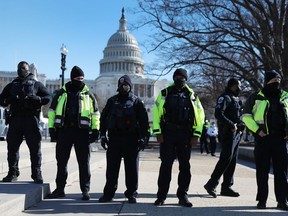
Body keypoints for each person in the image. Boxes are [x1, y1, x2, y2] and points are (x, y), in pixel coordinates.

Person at [153, 68, 205, 207]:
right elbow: (156, 113)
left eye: (182, 77)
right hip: (168, 134)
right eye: (177, 76)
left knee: (185, 167)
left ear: (186, 79)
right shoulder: (164, 93)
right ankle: (161, 196)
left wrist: (196, 135)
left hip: (185, 134)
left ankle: (183, 196)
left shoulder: (192, 95)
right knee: (166, 166)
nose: (179, 79)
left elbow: (200, 116)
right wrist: (158, 132)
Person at [47, 66, 100, 200]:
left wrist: (95, 130)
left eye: (82, 79)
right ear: (72, 78)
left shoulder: (89, 95)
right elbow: (52, 111)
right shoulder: (60, 93)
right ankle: (60, 189)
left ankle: (85, 190)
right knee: (62, 162)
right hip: (64, 131)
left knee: (84, 162)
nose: (80, 81)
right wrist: (52, 128)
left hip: (81, 132)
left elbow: (95, 114)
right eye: (78, 78)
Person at [98, 75, 149, 204]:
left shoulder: (137, 102)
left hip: (131, 139)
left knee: (132, 169)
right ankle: (108, 194)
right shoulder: (112, 101)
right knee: (112, 169)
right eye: (121, 85)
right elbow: (103, 119)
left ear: (130, 86)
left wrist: (143, 137)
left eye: (126, 85)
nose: (124, 87)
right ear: (118, 86)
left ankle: (131, 193)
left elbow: (144, 122)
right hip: (115, 139)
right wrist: (103, 135)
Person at [242, 70, 288, 211]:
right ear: (266, 81)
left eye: (278, 80)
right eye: (273, 80)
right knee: (262, 172)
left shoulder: (285, 96)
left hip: (280, 139)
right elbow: (246, 116)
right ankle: (262, 200)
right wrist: (257, 130)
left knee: (281, 172)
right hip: (263, 138)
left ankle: (282, 201)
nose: (276, 82)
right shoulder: (255, 97)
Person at [0, 61, 51, 183]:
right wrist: (9, 100)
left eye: (23, 68)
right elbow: (1, 100)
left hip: (31, 120)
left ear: (28, 70)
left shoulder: (36, 84)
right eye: (19, 68)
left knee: (35, 149)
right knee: (12, 149)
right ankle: (12, 173)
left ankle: (37, 174)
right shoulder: (12, 85)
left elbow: (48, 98)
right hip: (15, 120)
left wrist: (37, 99)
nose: (20, 70)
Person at [204, 78, 245, 198]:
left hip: (236, 134)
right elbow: (218, 114)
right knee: (225, 159)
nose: (240, 88)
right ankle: (211, 184)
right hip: (228, 133)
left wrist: (240, 124)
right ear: (232, 86)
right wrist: (231, 124)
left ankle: (227, 186)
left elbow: (235, 115)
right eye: (238, 86)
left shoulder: (235, 99)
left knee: (232, 160)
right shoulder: (225, 98)